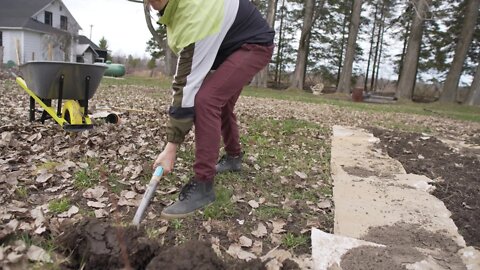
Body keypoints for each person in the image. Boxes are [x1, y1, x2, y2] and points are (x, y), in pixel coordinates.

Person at [148, 0, 275, 218]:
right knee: (219, 102)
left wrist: (171, 148)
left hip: (254, 45)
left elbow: (186, 86)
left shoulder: (193, 16)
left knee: (206, 100)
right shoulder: (177, 13)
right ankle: (234, 158)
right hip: (234, 47)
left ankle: (203, 185)